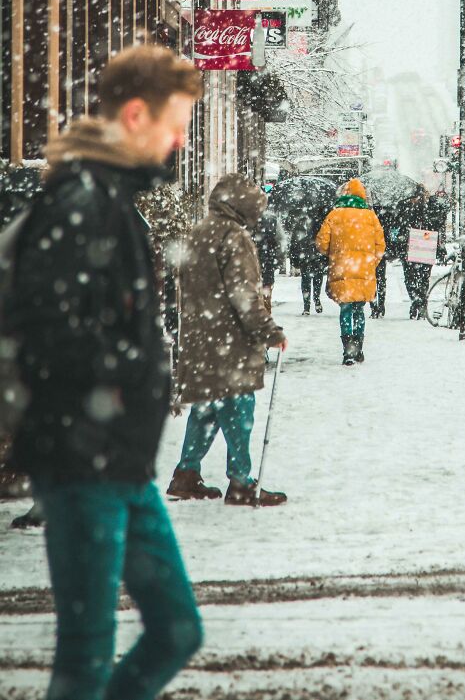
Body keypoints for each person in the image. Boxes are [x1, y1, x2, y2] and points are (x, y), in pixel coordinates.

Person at [5, 45, 204, 700]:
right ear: (137, 113)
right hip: (82, 454)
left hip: (120, 460)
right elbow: (51, 334)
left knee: (176, 628)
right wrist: (126, 377)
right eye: (176, 122)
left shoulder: (111, 197)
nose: (179, 139)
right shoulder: (80, 201)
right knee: (86, 653)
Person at [168, 174, 288, 507]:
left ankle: (186, 475)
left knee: (207, 407)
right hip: (229, 339)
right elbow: (244, 296)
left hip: (201, 336)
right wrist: (269, 331)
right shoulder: (234, 238)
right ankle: (241, 482)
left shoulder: (198, 232)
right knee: (238, 407)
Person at [316, 179, 385, 365]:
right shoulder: (370, 217)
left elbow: (322, 243)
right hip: (363, 270)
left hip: (342, 269)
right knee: (359, 310)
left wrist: (335, 255)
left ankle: (348, 350)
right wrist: (370, 262)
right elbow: (381, 246)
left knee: (345, 309)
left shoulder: (334, 215)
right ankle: (358, 347)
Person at [396, 186, 437, 319]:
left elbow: (401, 225)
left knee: (411, 277)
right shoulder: (429, 208)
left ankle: (417, 301)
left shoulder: (410, 208)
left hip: (412, 246)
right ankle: (420, 302)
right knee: (421, 277)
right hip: (423, 245)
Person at [253, 205, 284, 313]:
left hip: (250, 261)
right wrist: (279, 259)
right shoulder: (272, 219)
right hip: (268, 260)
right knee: (266, 287)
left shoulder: (245, 219)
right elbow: (280, 241)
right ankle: (266, 314)